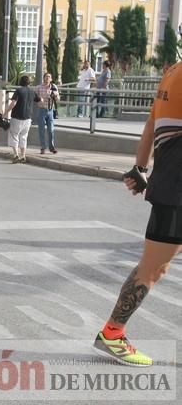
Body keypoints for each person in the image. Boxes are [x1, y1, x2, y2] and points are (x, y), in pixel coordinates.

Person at [93, 62, 182, 367]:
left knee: (154, 267)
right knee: (154, 268)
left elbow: (151, 123)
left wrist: (140, 168)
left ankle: (113, 332)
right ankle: (113, 333)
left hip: (171, 184)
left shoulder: (173, 72)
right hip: (177, 188)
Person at [4, 75, 40, 163]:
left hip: (17, 117)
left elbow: (13, 103)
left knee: (14, 135)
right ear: (29, 83)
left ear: (20, 82)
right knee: (23, 136)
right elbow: (39, 100)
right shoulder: (32, 92)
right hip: (28, 118)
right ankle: (23, 156)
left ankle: (16, 155)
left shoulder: (18, 91)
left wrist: (5, 112)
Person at [35, 72, 60, 154]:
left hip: (50, 111)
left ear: (51, 79)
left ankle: (52, 147)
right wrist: (39, 99)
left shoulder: (54, 87)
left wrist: (55, 96)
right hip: (41, 110)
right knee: (41, 130)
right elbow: (34, 98)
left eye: (49, 77)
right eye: (46, 77)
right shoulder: (38, 87)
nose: (47, 78)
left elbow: (58, 100)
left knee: (51, 130)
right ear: (43, 78)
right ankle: (43, 147)